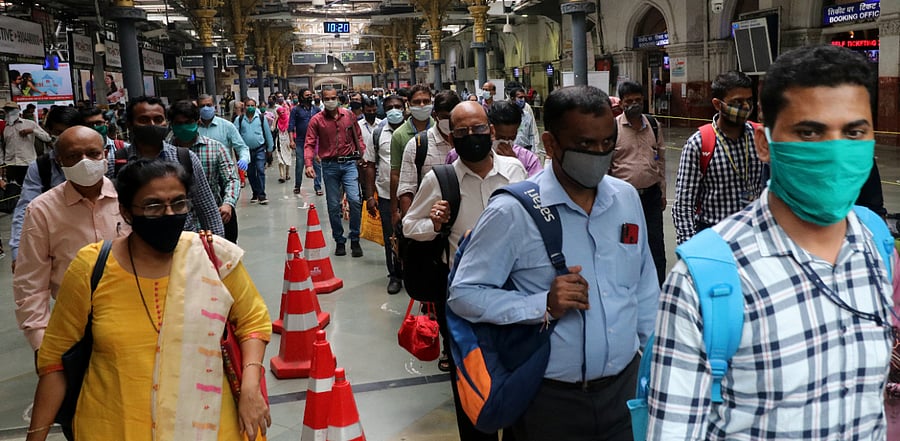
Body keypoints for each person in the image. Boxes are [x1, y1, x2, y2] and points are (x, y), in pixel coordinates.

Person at [648, 44, 892, 440]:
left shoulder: (877, 248)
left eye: (853, 132)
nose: (834, 151)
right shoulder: (703, 284)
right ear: (764, 143)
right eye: (809, 132)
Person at [448, 85, 658, 440]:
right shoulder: (513, 212)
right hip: (550, 401)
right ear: (550, 144)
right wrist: (541, 304)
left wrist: (656, 364)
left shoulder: (625, 199)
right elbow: (464, 294)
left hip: (625, 392)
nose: (598, 153)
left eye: (607, 143)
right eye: (585, 145)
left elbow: (644, 288)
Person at [26, 158, 272, 441]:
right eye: (154, 206)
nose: (169, 214)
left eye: (178, 204)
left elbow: (253, 320)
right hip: (113, 427)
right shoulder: (92, 267)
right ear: (126, 212)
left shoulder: (213, 256)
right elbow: (55, 360)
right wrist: (36, 436)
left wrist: (251, 387)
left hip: (209, 425)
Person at [13, 126, 127, 352]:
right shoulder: (42, 210)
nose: (84, 162)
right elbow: (31, 283)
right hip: (75, 325)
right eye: (74, 156)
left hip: (133, 312)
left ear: (105, 153)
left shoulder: (127, 198)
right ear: (59, 161)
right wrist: (41, 345)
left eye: (93, 154)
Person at [108, 95, 224, 236]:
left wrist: (216, 252)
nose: (152, 125)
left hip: (184, 247)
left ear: (166, 123)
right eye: (144, 120)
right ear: (130, 125)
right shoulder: (116, 162)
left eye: (158, 119)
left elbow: (208, 210)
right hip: (136, 249)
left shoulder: (185, 158)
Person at [672, 71, 762, 244]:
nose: (745, 107)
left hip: (753, 236)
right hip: (715, 239)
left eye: (748, 100)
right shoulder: (699, 144)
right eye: (736, 102)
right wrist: (691, 249)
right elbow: (684, 205)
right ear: (717, 104)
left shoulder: (760, 137)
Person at [9, 106, 83, 271]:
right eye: (59, 132)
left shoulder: (97, 161)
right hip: (61, 244)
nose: (66, 138)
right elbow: (25, 209)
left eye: (71, 131)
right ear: (49, 131)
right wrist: (18, 251)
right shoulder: (41, 168)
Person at [609, 81, 667, 285]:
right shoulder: (613, 127)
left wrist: (662, 191)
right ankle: (629, 286)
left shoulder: (653, 125)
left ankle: (659, 290)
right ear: (621, 103)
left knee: (655, 245)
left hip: (651, 197)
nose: (634, 104)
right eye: (629, 101)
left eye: (637, 100)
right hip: (623, 200)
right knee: (627, 244)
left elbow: (660, 159)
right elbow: (607, 167)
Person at [303, 86, 366, 257]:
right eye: (327, 98)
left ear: (338, 98)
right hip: (329, 166)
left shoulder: (349, 116)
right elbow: (309, 143)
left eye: (333, 98)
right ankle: (339, 240)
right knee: (333, 206)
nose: (331, 101)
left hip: (349, 165)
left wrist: (361, 151)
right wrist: (308, 163)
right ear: (322, 100)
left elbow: (358, 136)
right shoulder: (316, 120)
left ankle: (355, 238)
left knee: (354, 200)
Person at [168, 100, 240, 245]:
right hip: (179, 227)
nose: (183, 127)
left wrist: (228, 203)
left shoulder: (216, 148)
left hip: (212, 222)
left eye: (187, 122)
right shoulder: (165, 152)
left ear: (197, 122)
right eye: (178, 124)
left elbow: (231, 179)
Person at [363, 95, 406, 295]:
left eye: (398, 106)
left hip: (413, 193)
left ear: (405, 108)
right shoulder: (379, 133)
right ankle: (395, 275)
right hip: (387, 194)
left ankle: (414, 273)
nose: (394, 110)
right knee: (392, 235)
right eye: (390, 107)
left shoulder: (415, 131)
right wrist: (370, 195)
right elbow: (370, 165)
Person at [397, 90, 460, 217]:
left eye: (452, 117)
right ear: (435, 115)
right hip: (429, 221)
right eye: (444, 117)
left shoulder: (467, 141)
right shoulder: (417, 146)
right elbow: (407, 189)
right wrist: (408, 224)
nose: (449, 121)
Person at [197, 94, 249, 242]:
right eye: (202, 106)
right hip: (199, 180)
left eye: (208, 105)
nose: (206, 108)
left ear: (215, 106)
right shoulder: (193, 127)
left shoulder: (226, 126)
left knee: (227, 224)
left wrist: (244, 158)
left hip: (222, 178)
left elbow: (242, 147)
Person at [446, 100, 541, 176]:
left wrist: (515, 165)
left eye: (511, 137)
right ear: (491, 131)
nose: (506, 142)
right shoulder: (458, 154)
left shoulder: (528, 160)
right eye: (500, 137)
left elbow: (535, 191)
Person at [390, 84, 435, 226]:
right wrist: (395, 210)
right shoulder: (399, 135)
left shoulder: (439, 130)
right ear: (408, 104)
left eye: (426, 101)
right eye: (417, 102)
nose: (422, 105)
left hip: (436, 197)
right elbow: (395, 173)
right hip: (411, 200)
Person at [2, 100, 51, 185]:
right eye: (7, 110)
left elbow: (47, 138)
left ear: (17, 111)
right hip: (11, 164)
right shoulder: (5, 128)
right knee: (13, 191)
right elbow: (4, 146)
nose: (9, 112)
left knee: (31, 188)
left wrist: (32, 131)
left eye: (11, 110)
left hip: (27, 163)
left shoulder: (30, 124)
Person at [236, 98, 274, 205]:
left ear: (256, 107)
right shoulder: (239, 119)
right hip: (246, 151)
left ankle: (262, 194)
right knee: (251, 173)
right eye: (248, 106)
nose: (250, 108)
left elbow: (267, 134)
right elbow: (235, 136)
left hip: (260, 149)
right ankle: (255, 193)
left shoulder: (261, 118)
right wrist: (237, 151)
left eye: (252, 105)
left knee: (260, 170)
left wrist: (270, 149)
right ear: (244, 107)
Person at [289, 88, 322, 195]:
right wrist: (291, 141)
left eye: (310, 95)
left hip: (315, 141)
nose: (309, 97)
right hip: (300, 141)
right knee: (300, 164)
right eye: (307, 95)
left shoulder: (316, 110)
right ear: (301, 97)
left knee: (316, 164)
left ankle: (318, 187)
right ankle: (297, 186)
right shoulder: (296, 110)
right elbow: (291, 126)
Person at [507, 86, 541, 153]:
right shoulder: (506, 115)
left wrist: (534, 151)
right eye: (520, 97)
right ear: (512, 99)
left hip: (526, 150)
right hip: (511, 151)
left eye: (524, 97)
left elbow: (532, 134)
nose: (522, 99)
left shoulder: (527, 115)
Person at [273, 101, 293, 183]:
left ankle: (287, 174)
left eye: (282, 112)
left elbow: (291, 130)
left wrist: (292, 141)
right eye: (279, 113)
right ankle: (282, 176)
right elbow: (273, 129)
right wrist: (275, 119)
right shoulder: (277, 121)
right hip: (279, 141)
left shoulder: (289, 120)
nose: (281, 114)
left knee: (287, 157)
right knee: (280, 158)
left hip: (287, 141)